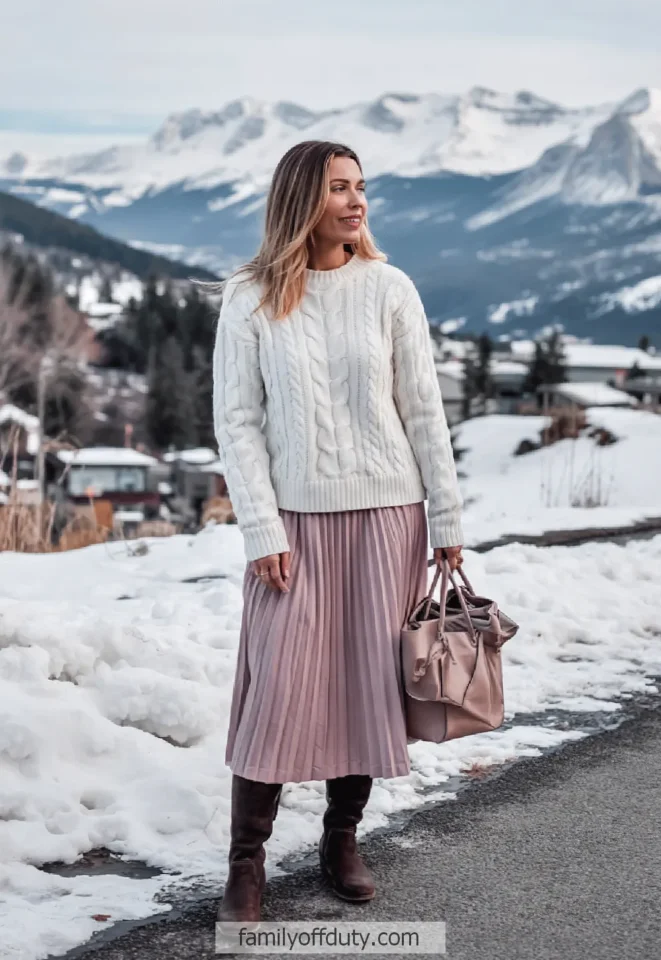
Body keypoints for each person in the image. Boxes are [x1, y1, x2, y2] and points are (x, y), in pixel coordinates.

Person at [212, 140, 464, 924]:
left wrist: (445, 517)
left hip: (389, 516)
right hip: (294, 523)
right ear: (300, 201)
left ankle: (340, 839)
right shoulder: (249, 297)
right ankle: (245, 862)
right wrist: (262, 528)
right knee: (277, 688)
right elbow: (237, 422)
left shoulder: (389, 288)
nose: (356, 202)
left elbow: (422, 409)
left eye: (360, 187)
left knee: (366, 685)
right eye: (338, 189)